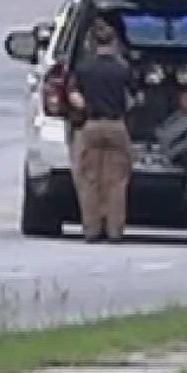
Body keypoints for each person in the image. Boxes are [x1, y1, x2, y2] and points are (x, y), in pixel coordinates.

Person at [67, 14, 133, 243]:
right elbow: (134, 98)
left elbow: (73, 95)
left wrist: (85, 107)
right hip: (116, 125)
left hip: (91, 126)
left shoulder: (84, 68)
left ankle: (92, 229)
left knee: (89, 179)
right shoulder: (122, 69)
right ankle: (115, 230)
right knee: (116, 181)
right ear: (114, 42)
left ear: (93, 43)